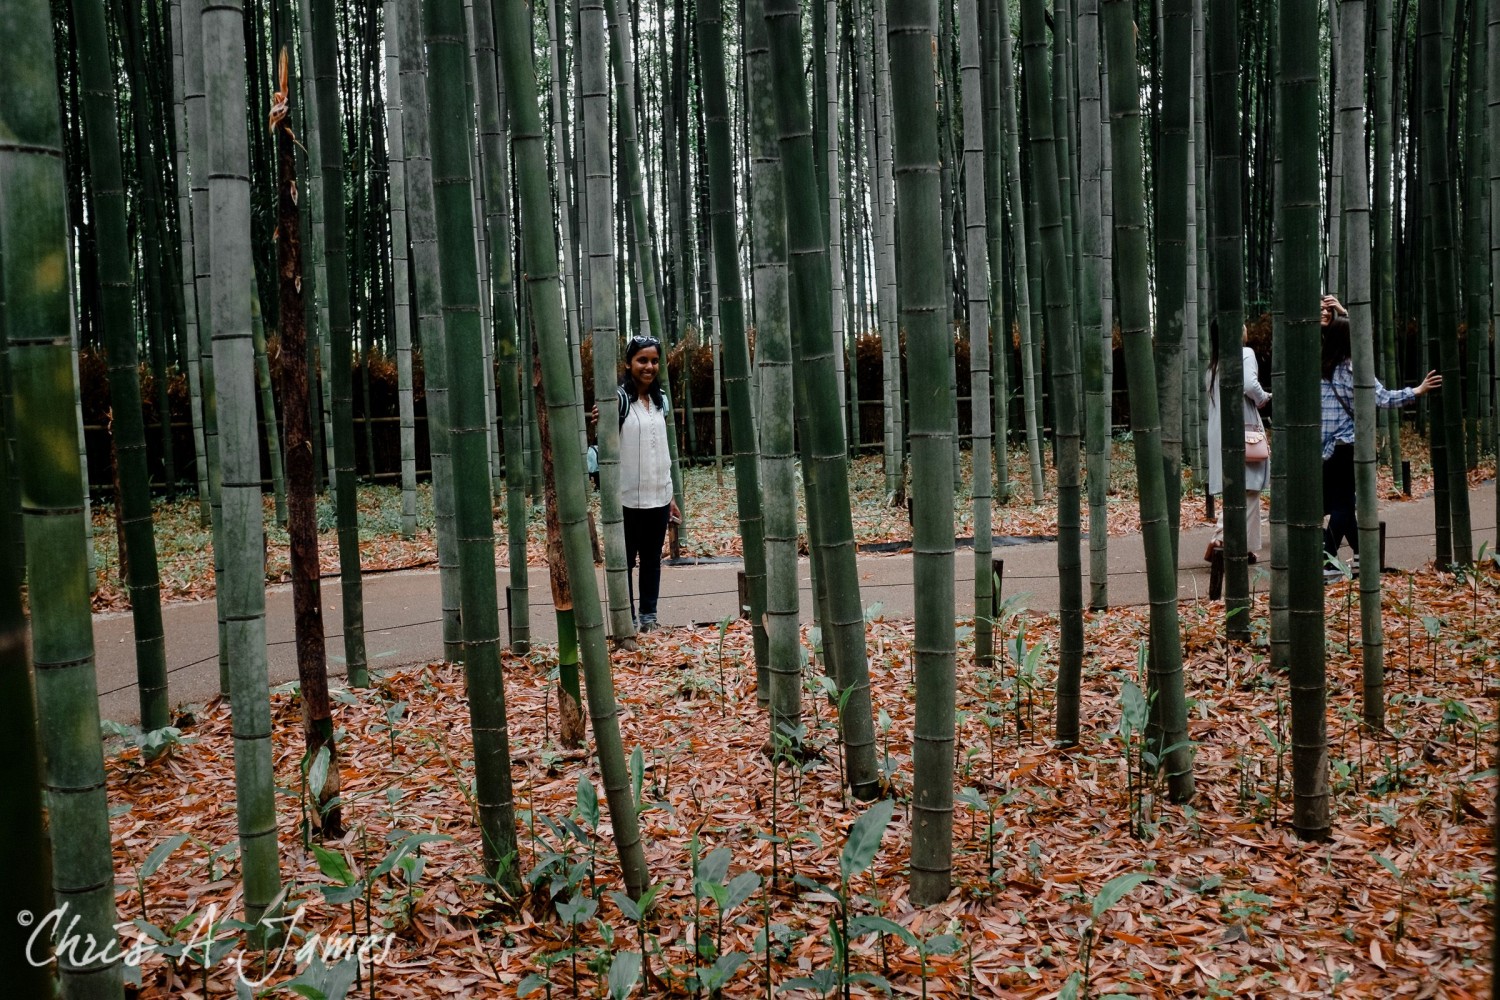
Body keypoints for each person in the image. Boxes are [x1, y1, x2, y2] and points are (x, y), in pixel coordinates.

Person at [1319, 311, 1440, 576]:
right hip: (1347, 446)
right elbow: (1383, 398)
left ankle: (1363, 557)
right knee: (1343, 506)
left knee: (1342, 503)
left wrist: (1341, 312)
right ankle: (1325, 560)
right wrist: (1417, 391)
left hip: (1325, 449)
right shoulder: (1354, 369)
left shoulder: (1321, 368)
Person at [613, 335, 679, 631]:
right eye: (642, 360)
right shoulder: (618, 400)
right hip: (627, 498)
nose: (649, 366)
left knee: (652, 561)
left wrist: (671, 493)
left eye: (654, 360)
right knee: (624, 562)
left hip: (659, 496)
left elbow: (662, 449)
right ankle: (625, 619)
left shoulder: (660, 400)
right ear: (629, 363)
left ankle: (649, 618)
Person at [1205, 321, 1272, 561]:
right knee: (1249, 487)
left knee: (1236, 488)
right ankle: (1222, 537)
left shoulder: (1214, 364)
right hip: (1242, 432)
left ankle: (1243, 547)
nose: (1245, 325)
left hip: (1219, 431)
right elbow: (1248, 384)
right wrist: (1264, 398)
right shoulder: (1245, 353)